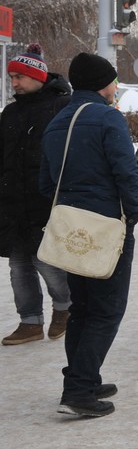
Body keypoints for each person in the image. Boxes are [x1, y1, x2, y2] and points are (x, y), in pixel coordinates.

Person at [40, 53, 138, 417]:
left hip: (71, 226)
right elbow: (126, 172)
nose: (116, 88)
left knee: (82, 308)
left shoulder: (57, 121)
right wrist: (133, 213)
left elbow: (46, 182)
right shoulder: (108, 118)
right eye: (114, 81)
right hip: (106, 225)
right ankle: (80, 390)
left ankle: (84, 376)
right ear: (104, 83)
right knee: (106, 309)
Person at [1, 43, 72, 346]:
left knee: (46, 261)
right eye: (12, 77)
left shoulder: (61, 107)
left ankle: (65, 307)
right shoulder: (11, 112)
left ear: (38, 76)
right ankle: (29, 321)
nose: (14, 83)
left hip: (46, 199)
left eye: (20, 77)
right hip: (12, 201)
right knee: (18, 266)